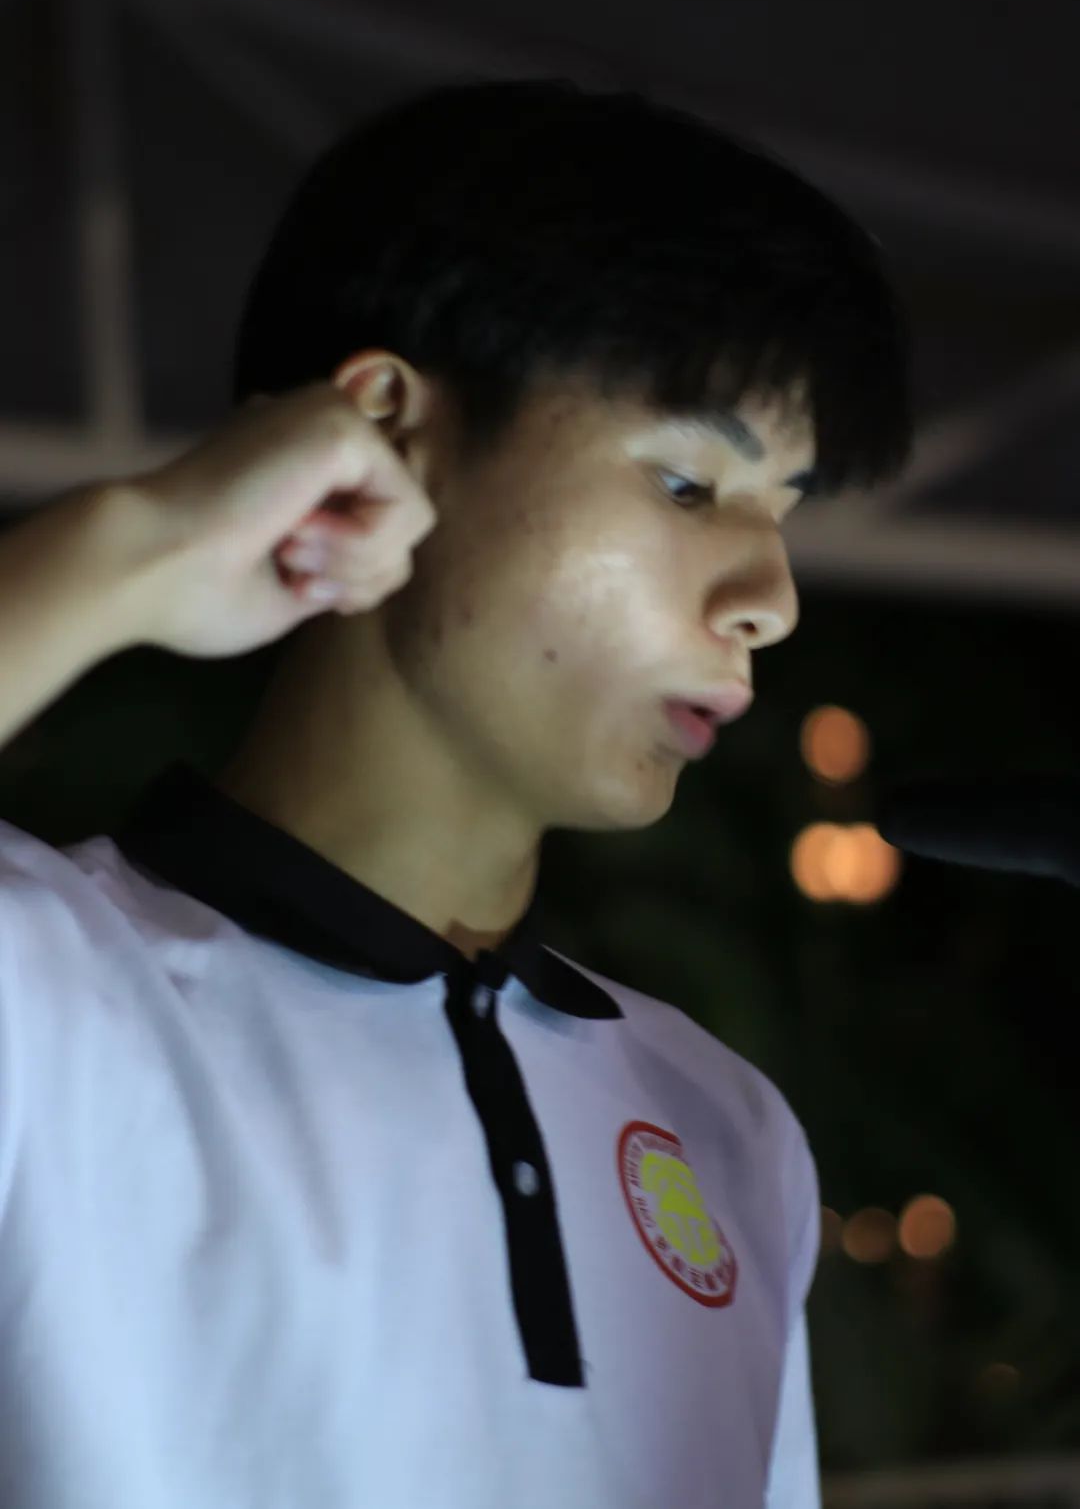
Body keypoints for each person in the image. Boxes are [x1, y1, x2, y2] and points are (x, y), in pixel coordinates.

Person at [0, 77, 911, 1509]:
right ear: (388, 429)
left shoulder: (726, 1126)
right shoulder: (46, 993)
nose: (771, 599)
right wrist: (133, 544)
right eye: (689, 486)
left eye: (784, 516)